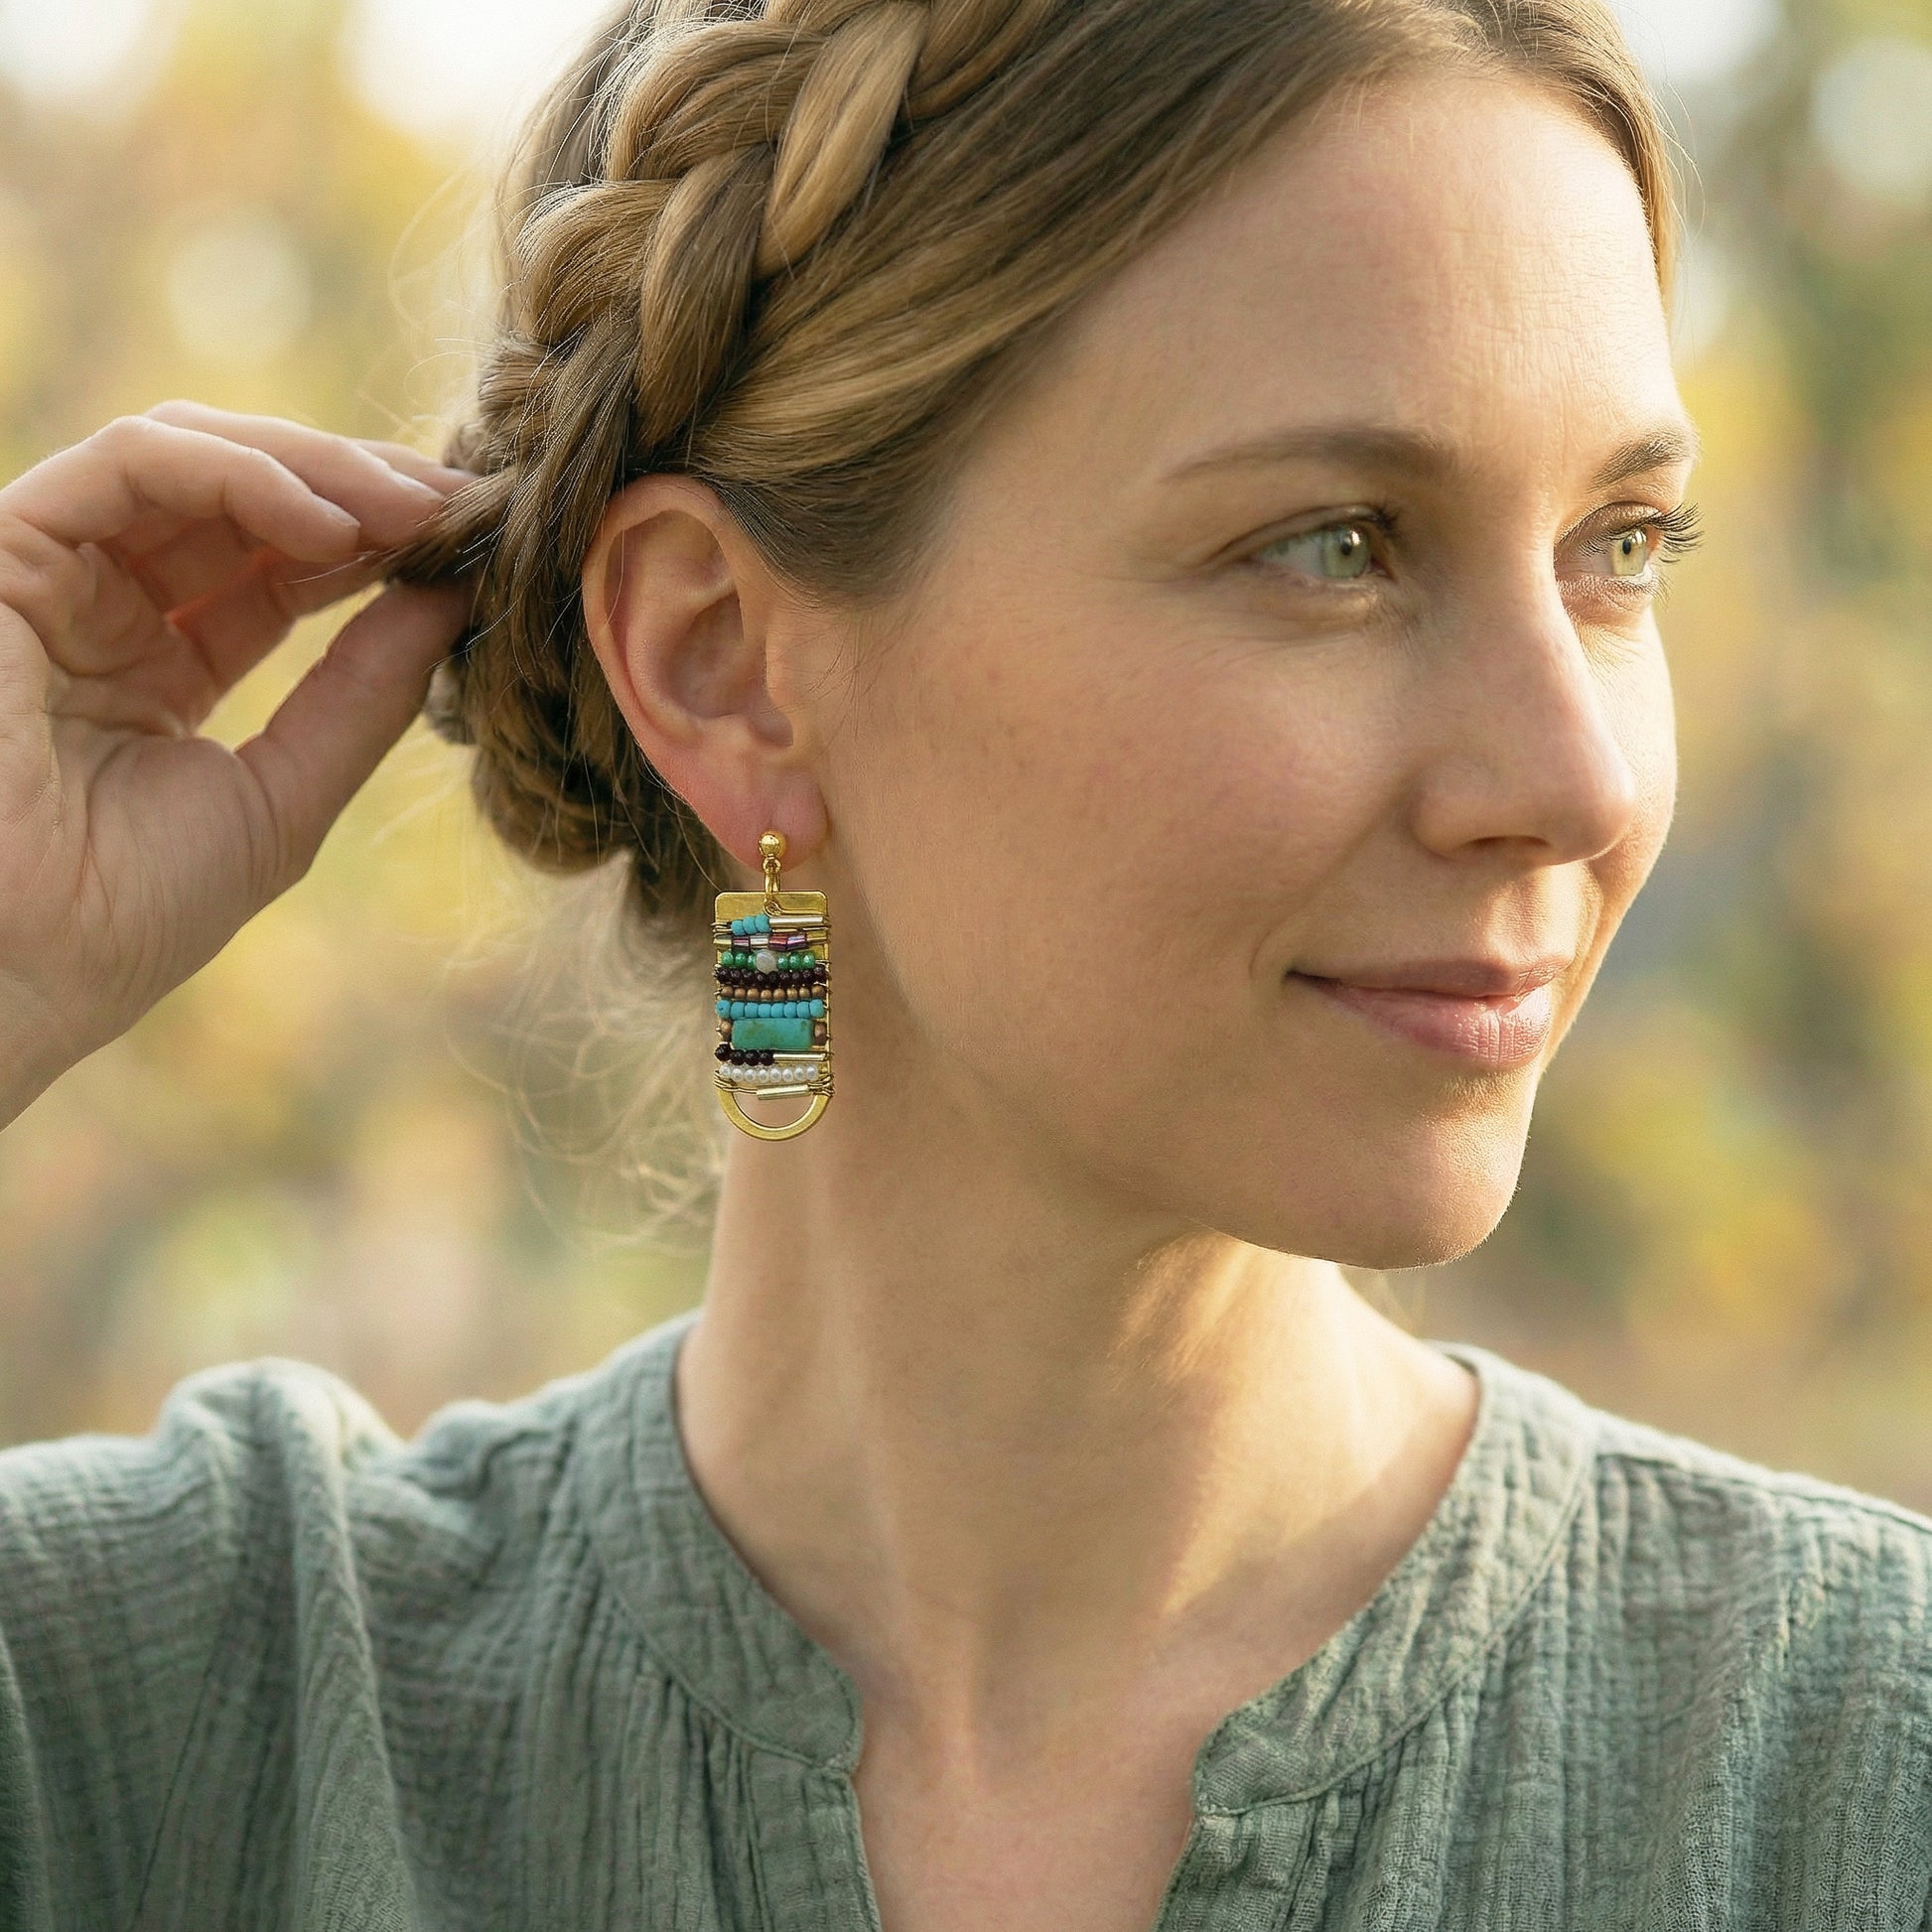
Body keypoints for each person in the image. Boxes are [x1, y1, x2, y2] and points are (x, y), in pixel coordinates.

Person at [1, 0, 1928, 1925]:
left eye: (1621, 546)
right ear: (719, 659)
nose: (1576, 779)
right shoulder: (135, 1718)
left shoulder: (1857, 1761)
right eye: (1337, 546)